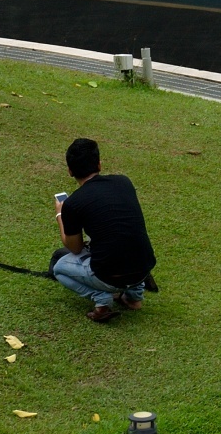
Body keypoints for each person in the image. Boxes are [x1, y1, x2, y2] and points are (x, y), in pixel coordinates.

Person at [53, 138, 157, 324]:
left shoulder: (73, 204)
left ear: (70, 171)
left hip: (110, 275)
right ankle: (133, 297)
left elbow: (74, 247)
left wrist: (60, 214)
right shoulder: (124, 182)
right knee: (126, 247)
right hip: (145, 266)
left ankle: (101, 299)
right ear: (99, 164)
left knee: (59, 268)